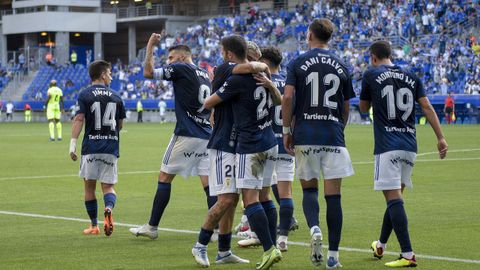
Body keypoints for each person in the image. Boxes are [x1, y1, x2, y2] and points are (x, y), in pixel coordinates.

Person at [359, 40, 448, 268]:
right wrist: (440, 137)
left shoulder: (371, 74)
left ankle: (408, 254)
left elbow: (362, 108)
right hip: (410, 146)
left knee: (394, 199)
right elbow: (427, 107)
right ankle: (380, 244)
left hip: (388, 145)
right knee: (396, 198)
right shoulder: (412, 76)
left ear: (373, 57)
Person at [191, 35, 275, 267]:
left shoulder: (239, 73)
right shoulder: (228, 69)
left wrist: (261, 66)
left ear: (227, 52)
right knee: (226, 199)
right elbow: (248, 66)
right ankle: (200, 244)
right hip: (223, 144)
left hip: (238, 145)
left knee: (232, 199)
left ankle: (224, 251)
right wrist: (262, 64)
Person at [282, 18, 355, 269]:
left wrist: (286, 130)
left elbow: (288, 96)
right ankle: (333, 257)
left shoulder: (298, 62)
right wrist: (338, 127)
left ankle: (314, 228)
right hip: (333, 135)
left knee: (309, 191)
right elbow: (346, 106)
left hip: (305, 134)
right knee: (334, 198)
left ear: (310, 34)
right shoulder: (343, 65)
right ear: (330, 37)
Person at [129, 34, 217, 240]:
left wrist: (150, 45)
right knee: (208, 184)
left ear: (182, 58)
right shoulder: (205, 74)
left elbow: (148, 72)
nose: (168, 62)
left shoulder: (181, 68)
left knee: (164, 177)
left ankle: (152, 226)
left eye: (170, 58)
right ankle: (215, 230)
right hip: (206, 134)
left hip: (187, 133)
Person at [69, 60, 126, 236]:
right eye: (109, 73)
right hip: (110, 147)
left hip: (91, 147)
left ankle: (94, 225)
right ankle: (108, 208)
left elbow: (79, 119)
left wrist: (72, 144)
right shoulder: (116, 96)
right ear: (102, 75)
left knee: (89, 188)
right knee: (108, 187)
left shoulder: (85, 94)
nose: (111, 76)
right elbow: (120, 125)